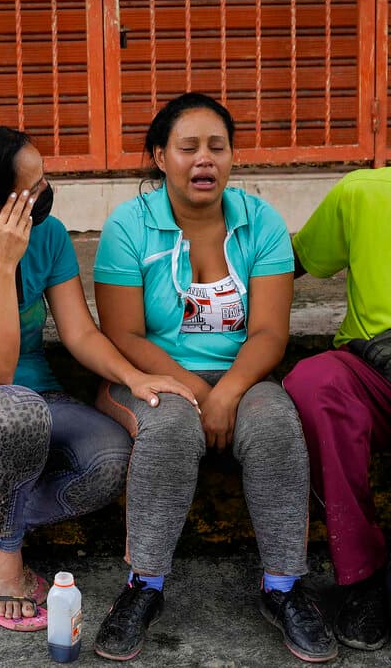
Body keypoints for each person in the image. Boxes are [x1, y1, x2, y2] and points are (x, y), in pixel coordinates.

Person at [0, 125, 196, 630]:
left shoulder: (52, 236)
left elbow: (81, 333)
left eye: (44, 180)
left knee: (109, 457)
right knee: (15, 406)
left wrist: (136, 376)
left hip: (40, 400)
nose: (46, 192)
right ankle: (4, 567)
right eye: (33, 187)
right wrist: (2, 268)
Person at [91, 92, 335, 662]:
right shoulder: (129, 225)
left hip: (242, 375)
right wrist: (201, 393)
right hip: (147, 374)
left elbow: (271, 335)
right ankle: (143, 586)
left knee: (275, 420)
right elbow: (124, 334)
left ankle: (283, 588)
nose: (204, 159)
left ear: (232, 157)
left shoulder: (261, 222)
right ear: (158, 156)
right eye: (188, 147)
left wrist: (227, 391)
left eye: (217, 147)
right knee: (172, 423)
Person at [282, 168, 391, 652]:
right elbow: (289, 263)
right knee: (314, 382)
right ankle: (364, 576)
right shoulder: (363, 191)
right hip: (374, 372)